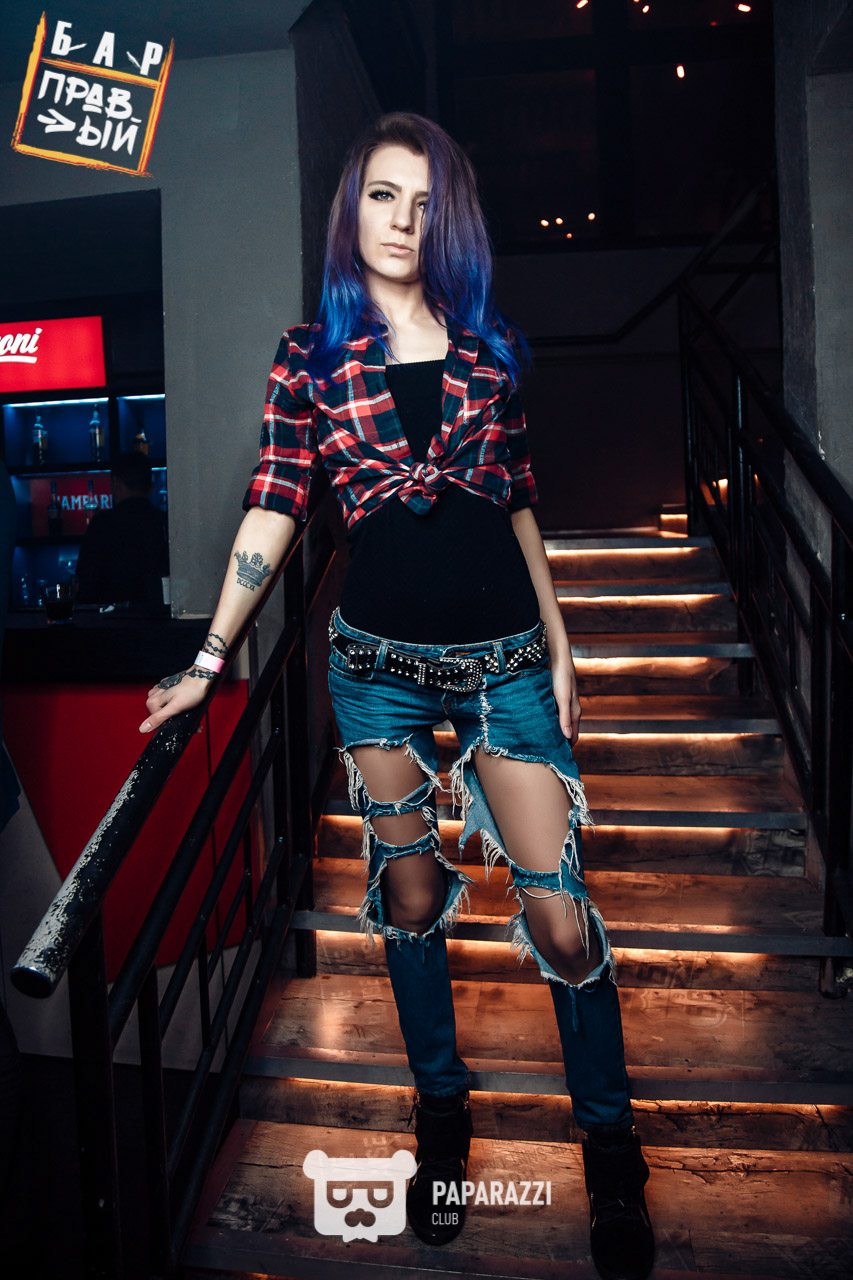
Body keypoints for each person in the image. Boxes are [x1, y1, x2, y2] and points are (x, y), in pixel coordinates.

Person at [139, 112, 655, 1280]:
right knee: (411, 900)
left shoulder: (488, 351)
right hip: (374, 669)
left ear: (447, 220)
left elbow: (517, 499)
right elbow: (275, 503)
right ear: (352, 208)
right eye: (382, 194)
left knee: (558, 910)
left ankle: (609, 1142)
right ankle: (441, 1114)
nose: (401, 221)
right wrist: (210, 658)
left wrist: (560, 643)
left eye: (424, 202)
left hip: (504, 662)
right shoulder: (309, 357)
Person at [75, 451, 169, 607]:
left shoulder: (101, 524)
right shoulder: (164, 522)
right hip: (160, 618)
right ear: (150, 487)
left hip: (110, 619)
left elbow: (87, 584)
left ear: (115, 484)